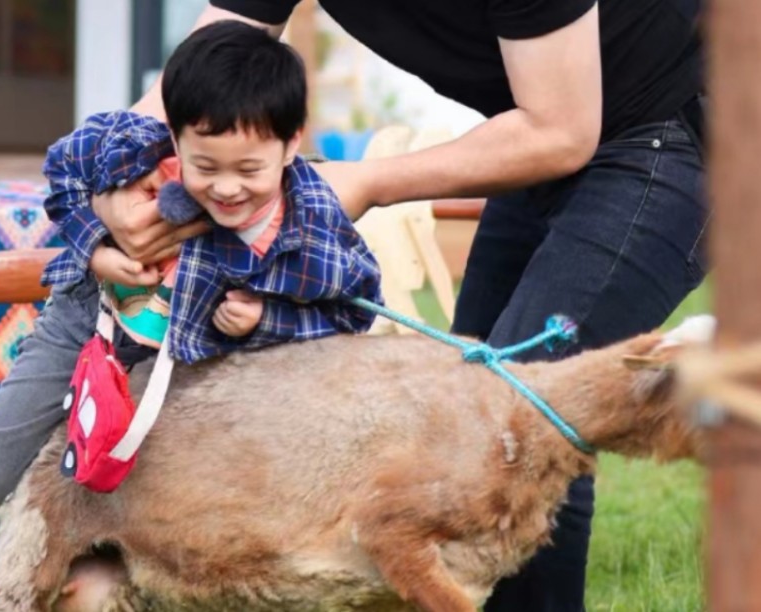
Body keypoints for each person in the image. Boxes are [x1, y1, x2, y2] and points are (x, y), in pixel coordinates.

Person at [99, 1, 708, 611]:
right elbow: (196, 74)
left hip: (674, 127)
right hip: (546, 126)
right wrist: (113, 179)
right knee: (472, 430)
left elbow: (559, 132)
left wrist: (367, 181)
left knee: (526, 427)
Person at [0, 20, 381, 578]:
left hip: (197, 369)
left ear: (291, 142)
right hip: (91, 317)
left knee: (183, 503)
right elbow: (62, 170)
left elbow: (354, 311)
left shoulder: (309, 227)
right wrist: (94, 246)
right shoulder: (135, 149)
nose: (227, 188)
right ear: (177, 134)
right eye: (204, 166)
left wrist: (266, 318)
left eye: (249, 170)